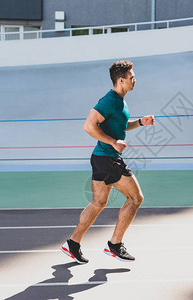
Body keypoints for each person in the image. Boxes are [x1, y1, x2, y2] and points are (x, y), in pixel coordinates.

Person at [61, 60, 155, 263]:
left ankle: (73, 243)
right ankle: (115, 245)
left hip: (101, 158)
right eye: (132, 77)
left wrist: (140, 122)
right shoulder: (109, 100)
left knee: (98, 202)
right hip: (108, 159)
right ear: (121, 80)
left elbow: (120, 125)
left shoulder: (121, 101)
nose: (134, 80)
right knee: (136, 198)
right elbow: (88, 126)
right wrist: (113, 142)